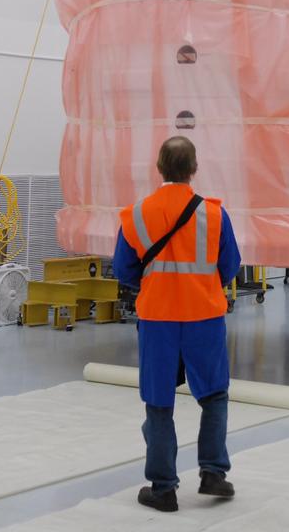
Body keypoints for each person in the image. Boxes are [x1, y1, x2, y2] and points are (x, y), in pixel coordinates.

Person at [113, 136, 242, 512]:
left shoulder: (137, 213)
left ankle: (163, 488)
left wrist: (157, 283)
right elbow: (230, 264)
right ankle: (213, 473)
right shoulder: (215, 214)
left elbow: (123, 269)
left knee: (158, 401)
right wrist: (199, 286)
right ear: (194, 169)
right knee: (214, 395)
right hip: (205, 315)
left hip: (158, 318)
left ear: (159, 168)